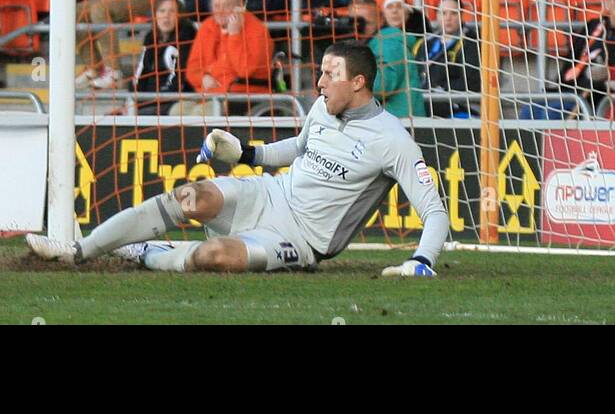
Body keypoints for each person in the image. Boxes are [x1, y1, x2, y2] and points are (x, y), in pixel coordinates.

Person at [28, 41, 450, 277]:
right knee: (191, 196)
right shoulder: (323, 107)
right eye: (320, 72)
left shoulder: (392, 139)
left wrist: (421, 261)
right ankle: (76, 252)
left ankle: (147, 251)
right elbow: (299, 148)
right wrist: (248, 153)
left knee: (214, 257)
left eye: (329, 74)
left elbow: (435, 212)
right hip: (268, 194)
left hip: (300, 241)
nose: (319, 82)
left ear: (358, 83)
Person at [132, 0, 197, 115]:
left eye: (172, 11)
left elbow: (179, 80)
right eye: (162, 11)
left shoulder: (187, 37)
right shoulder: (150, 37)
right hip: (149, 100)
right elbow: (141, 74)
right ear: (155, 15)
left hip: (174, 100)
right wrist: (136, 99)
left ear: (180, 16)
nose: (166, 16)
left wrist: (153, 101)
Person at [416, 0, 481, 117]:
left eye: (453, 13)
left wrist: (440, 86)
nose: (448, 18)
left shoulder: (472, 43)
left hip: (459, 105)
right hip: (427, 100)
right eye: (444, 13)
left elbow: (473, 82)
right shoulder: (426, 43)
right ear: (437, 16)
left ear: (461, 16)